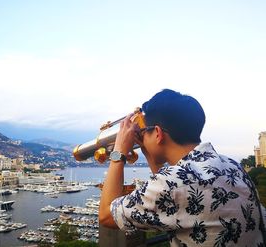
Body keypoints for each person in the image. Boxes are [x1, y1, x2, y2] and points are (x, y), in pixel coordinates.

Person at [99, 89, 266, 246]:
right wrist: (152, 157)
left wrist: (118, 153)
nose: (142, 138)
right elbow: (176, 193)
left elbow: (107, 215)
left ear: (157, 133)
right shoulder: (233, 166)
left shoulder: (170, 184)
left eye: (144, 133)